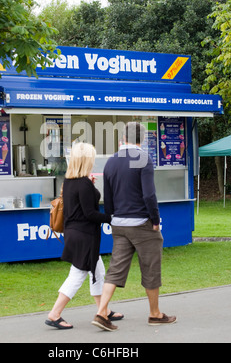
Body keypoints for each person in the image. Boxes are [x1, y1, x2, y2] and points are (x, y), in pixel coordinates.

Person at [92, 122, 176, 331]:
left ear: (123, 137)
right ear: (143, 139)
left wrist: (112, 218)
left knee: (115, 269)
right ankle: (155, 314)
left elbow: (108, 197)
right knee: (150, 268)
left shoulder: (111, 161)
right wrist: (155, 220)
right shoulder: (144, 159)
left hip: (119, 224)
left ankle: (102, 312)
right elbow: (149, 194)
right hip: (141, 224)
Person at [45, 142, 123, 329]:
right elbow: (90, 214)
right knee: (78, 274)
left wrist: (91, 186)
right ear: (87, 160)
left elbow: (81, 206)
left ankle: (103, 310)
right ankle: (54, 314)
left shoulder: (70, 181)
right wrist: (112, 218)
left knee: (98, 273)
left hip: (75, 234)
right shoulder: (83, 183)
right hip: (85, 236)